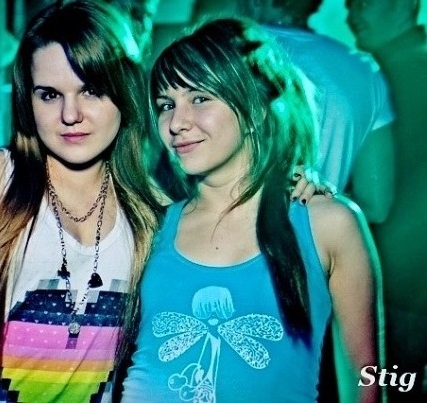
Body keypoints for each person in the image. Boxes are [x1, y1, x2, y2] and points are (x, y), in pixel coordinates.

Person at [0, 1, 163, 402]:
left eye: (91, 90)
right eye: (50, 95)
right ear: (29, 100)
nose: (70, 114)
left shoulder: (151, 211)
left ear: (123, 92)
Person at [118, 17, 379, 402]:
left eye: (199, 98)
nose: (176, 122)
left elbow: (366, 380)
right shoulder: (151, 224)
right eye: (166, 105)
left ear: (255, 108)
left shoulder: (326, 223)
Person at [233, 0, 396, 225]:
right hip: (317, 241)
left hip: (220, 238)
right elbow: (376, 207)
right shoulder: (364, 71)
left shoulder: (217, 57)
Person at [347, 0, 427, 401]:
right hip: (408, 280)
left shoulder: (392, 76)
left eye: (363, 2)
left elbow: (376, 191)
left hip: (401, 279)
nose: (351, 12)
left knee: (390, 386)